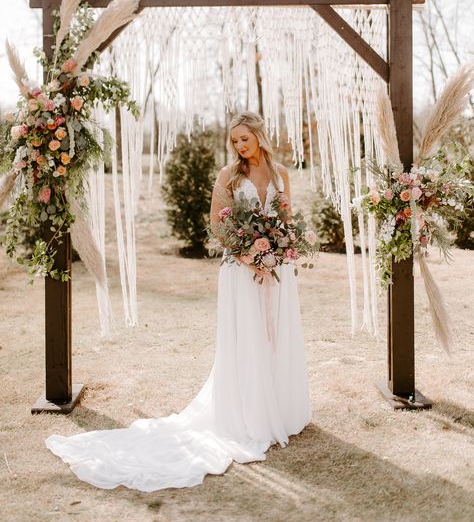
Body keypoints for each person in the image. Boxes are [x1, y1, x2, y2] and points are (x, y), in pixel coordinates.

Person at [45, 111, 311, 491]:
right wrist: (250, 255)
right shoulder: (229, 176)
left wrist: (279, 249)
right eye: (233, 140)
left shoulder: (281, 173)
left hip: (278, 273)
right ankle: (251, 415)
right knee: (249, 341)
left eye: (244, 139)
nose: (238, 146)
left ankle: (280, 410)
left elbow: (286, 218)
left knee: (276, 338)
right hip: (241, 271)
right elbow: (218, 224)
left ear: (259, 136)